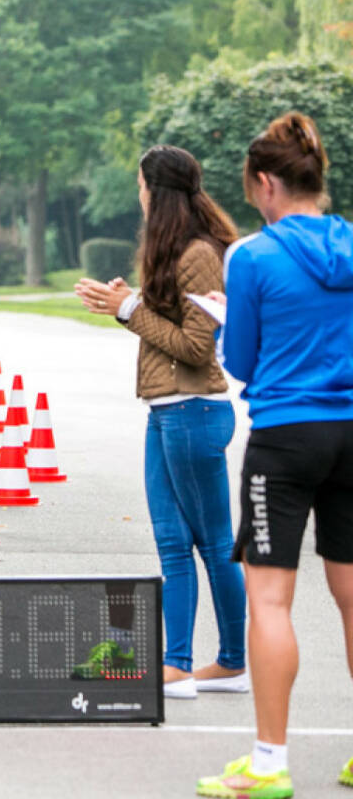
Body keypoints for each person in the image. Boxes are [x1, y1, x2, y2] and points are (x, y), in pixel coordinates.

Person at [194, 113, 353, 799]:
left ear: (265, 184)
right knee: (352, 598)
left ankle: (267, 763)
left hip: (286, 438)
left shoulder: (253, 256)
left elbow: (240, 359)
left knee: (270, 599)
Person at [73, 146, 247, 705]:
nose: (138, 196)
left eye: (141, 186)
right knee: (173, 542)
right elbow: (173, 323)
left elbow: (197, 347)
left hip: (193, 412)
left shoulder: (198, 253)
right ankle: (181, 664)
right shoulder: (177, 251)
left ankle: (229, 661)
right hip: (166, 411)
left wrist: (129, 310)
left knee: (215, 544)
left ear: (158, 191)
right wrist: (129, 301)